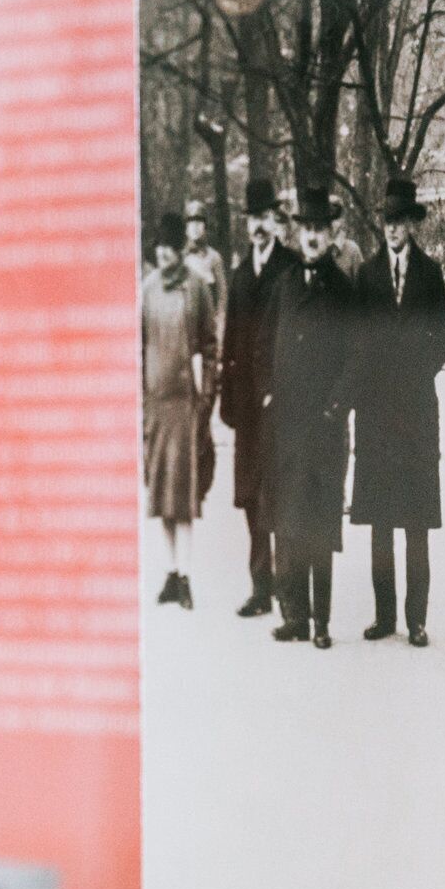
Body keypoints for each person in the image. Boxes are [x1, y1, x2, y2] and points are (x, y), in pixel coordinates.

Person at [348, 178, 445, 645]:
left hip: (415, 412)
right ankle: (384, 615)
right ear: (383, 225)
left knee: (416, 522)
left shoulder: (431, 275)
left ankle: (417, 621)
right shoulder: (367, 276)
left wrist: (416, 370)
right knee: (379, 522)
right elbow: (356, 340)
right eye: (387, 221)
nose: (394, 229)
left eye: (401, 221)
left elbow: (444, 337)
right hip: (374, 413)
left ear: (412, 225)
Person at [265, 193, 362, 647]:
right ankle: (296, 616)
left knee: (321, 524)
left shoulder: (343, 290)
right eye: (306, 228)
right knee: (292, 520)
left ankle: (321, 621)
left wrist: (336, 406)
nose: (313, 236)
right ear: (297, 233)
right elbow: (268, 344)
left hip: (324, 426)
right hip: (289, 424)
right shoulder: (285, 286)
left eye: (321, 229)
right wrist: (269, 396)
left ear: (331, 235)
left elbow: (356, 357)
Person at [218, 182, 296, 621]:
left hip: (281, 401)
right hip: (248, 404)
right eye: (252, 219)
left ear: (278, 222)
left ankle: (287, 588)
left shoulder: (290, 268)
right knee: (250, 494)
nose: (259, 226)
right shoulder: (241, 273)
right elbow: (230, 339)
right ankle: (260, 586)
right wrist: (227, 399)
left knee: (279, 492)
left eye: (266, 217)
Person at [141, 215, 214, 608]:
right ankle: (170, 573)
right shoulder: (147, 290)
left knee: (183, 496)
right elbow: (137, 350)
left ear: (180, 249)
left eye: (170, 245)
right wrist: (141, 403)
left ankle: (185, 576)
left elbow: (211, 346)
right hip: (156, 409)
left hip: (186, 408)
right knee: (160, 496)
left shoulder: (198, 286)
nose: (164, 251)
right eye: (159, 245)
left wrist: (206, 401)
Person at [179, 206, 229, 505]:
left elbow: (222, 301)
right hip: (186, 344)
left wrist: (219, 340)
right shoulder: (181, 260)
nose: (195, 229)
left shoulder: (214, 260)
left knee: (205, 406)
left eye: (200, 223)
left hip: (208, 345)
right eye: (191, 223)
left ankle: (203, 474)